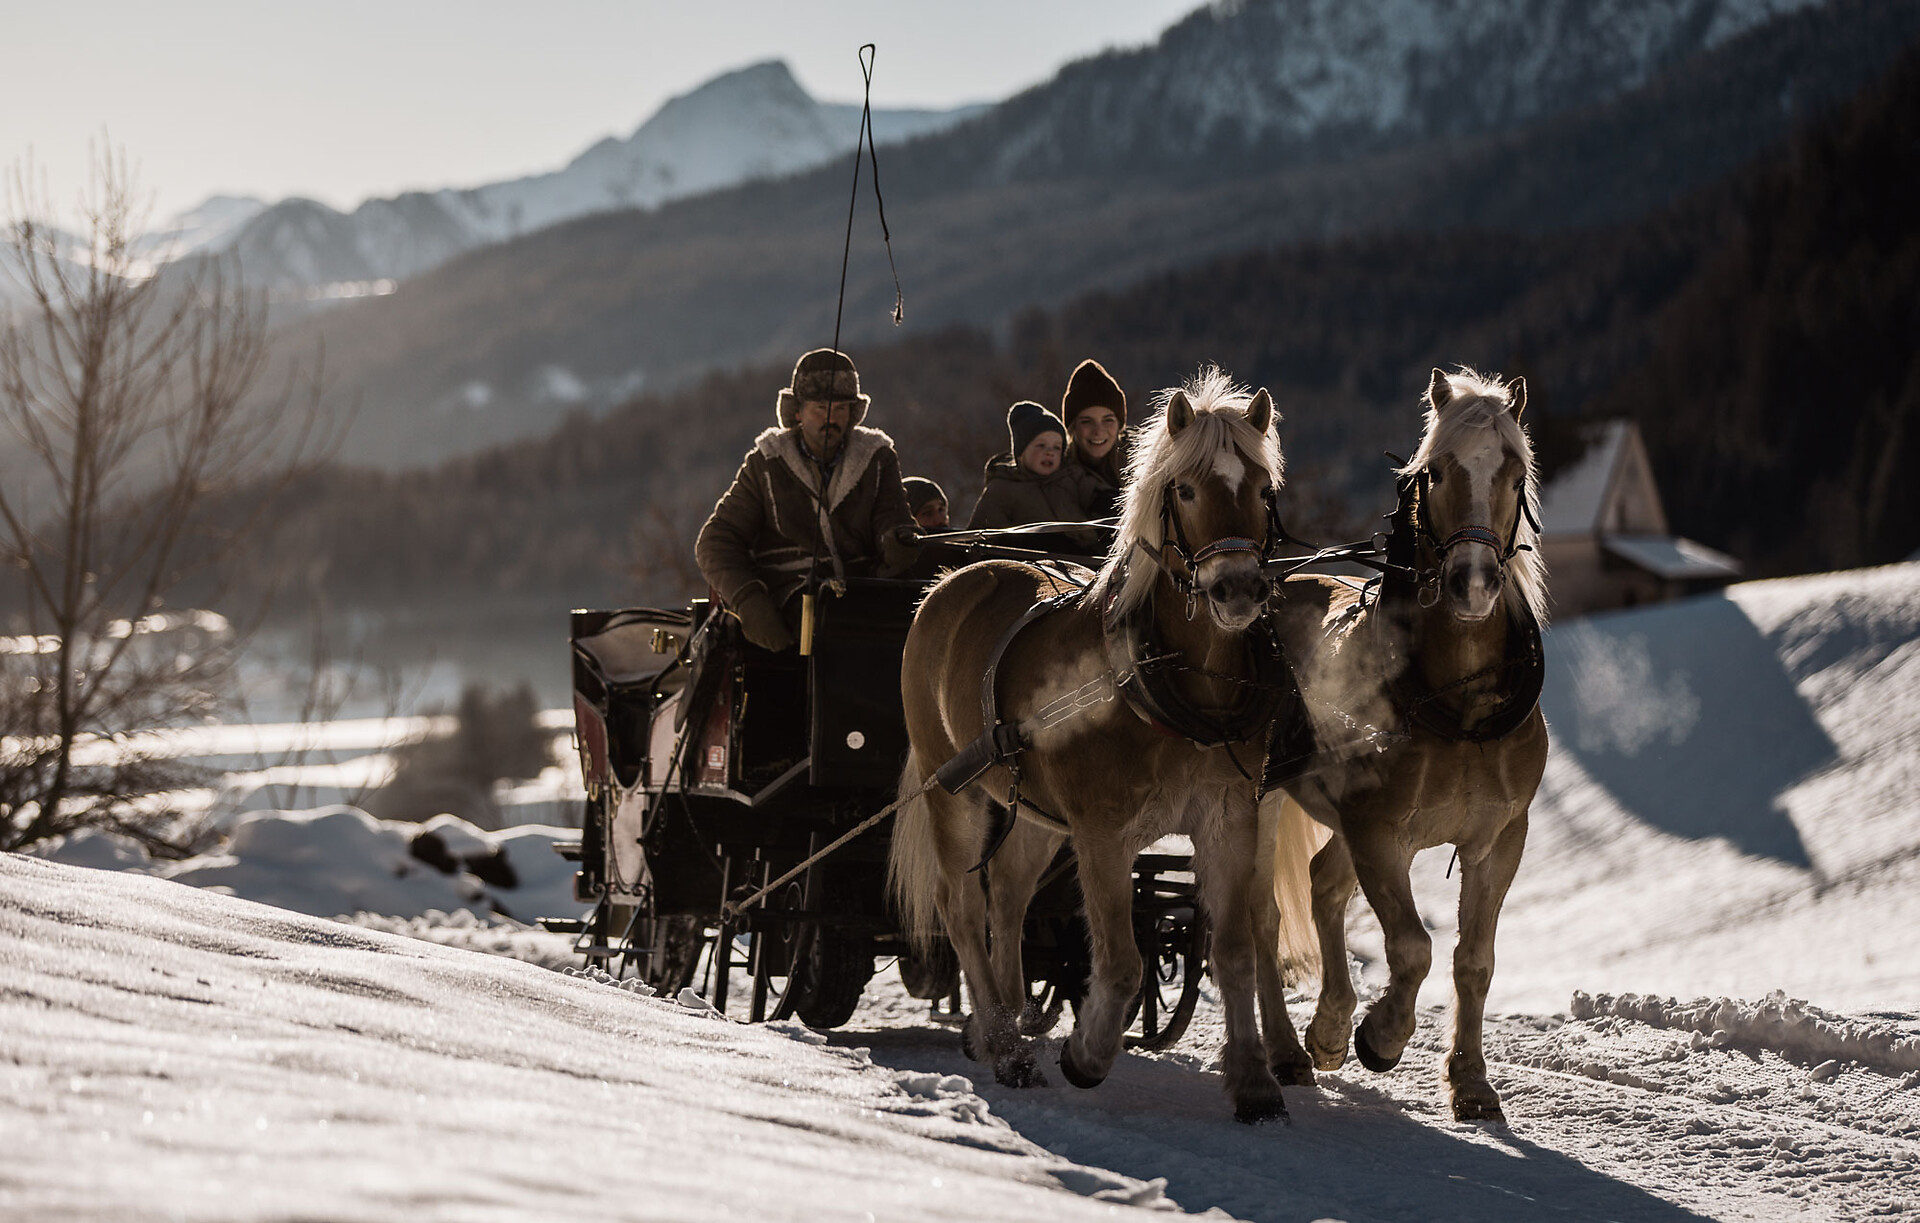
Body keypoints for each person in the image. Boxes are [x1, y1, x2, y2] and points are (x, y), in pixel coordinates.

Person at [695, 349, 918, 651]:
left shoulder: (877, 458)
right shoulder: (767, 463)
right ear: (797, 412)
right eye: (819, 408)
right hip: (788, 598)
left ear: (853, 414)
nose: (831, 418)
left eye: (841, 408)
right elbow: (715, 541)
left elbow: (893, 521)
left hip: (864, 594)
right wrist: (749, 601)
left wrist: (899, 542)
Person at [967, 400, 1098, 530]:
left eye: (1057, 448)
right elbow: (981, 531)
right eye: (1041, 446)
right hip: (1026, 548)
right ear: (1021, 452)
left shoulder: (1071, 479)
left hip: (1077, 549)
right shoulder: (1002, 488)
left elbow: (1097, 495)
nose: (1050, 453)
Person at [1060, 358, 1128, 518]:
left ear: (1120, 425)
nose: (1098, 431)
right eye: (1086, 421)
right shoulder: (1055, 471)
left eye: (1108, 420)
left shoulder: (1142, 468)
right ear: (1072, 427)